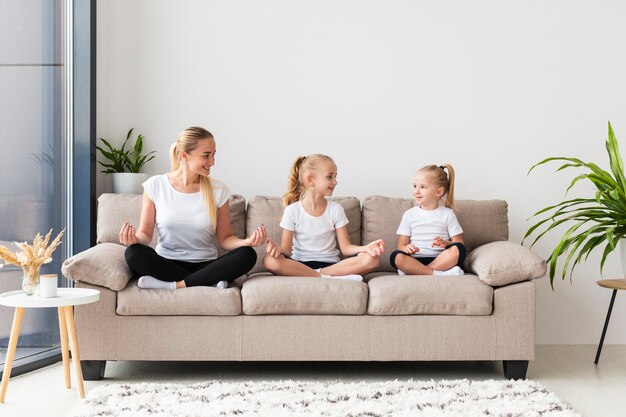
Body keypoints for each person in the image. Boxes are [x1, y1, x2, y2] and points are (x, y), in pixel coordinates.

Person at [120, 126, 265, 290]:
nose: (213, 162)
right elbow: (145, 235)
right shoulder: (156, 185)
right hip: (167, 263)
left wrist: (246, 242)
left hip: (206, 264)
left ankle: (176, 285)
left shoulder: (219, 190)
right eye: (206, 156)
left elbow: (225, 239)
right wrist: (134, 239)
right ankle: (206, 281)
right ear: (184, 155)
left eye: (213, 155)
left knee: (247, 254)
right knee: (133, 253)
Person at [263, 154, 385, 282]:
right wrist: (277, 250)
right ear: (310, 180)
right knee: (269, 260)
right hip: (299, 264)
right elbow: (286, 251)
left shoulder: (336, 209)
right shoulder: (292, 211)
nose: (335, 181)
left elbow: (346, 248)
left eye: (335, 177)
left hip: (331, 265)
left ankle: (320, 274)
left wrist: (365, 248)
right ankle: (326, 277)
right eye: (329, 177)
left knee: (373, 259)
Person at [389, 164, 466, 276]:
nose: (417, 191)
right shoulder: (409, 214)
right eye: (415, 186)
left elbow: (459, 243)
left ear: (439, 192)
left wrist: (446, 243)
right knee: (396, 256)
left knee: (459, 249)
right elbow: (401, 245)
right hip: (415, 260)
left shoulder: (448, 214)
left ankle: (416, 272)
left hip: (441, 260)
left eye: (423, 187)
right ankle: (438, 274)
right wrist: (407, 248)